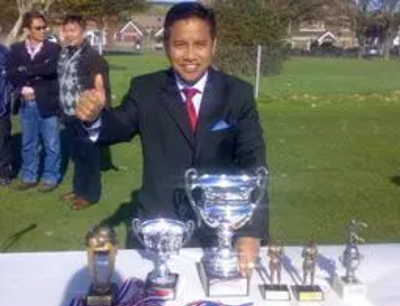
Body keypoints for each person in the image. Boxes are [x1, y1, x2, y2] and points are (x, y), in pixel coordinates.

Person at [76, 2, 268, 272]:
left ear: (214, 44)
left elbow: (254, 161)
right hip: (159, 229)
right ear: (166, 45)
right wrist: (95, 117)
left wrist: (251, 230)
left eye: (200, 44)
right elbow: (117, 126)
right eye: (180, 45)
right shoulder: (145, 89)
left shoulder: (238, 94)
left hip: (221, 232)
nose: (190, 55)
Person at [58, 15, 111, 210]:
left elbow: (100, 88)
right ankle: (78, 189)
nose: (69, 34)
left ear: (83, 32)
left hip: (87, 115)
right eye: (66, 30)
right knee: (77, 155)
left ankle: (91, 195)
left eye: (73, 30)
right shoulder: (64, 52)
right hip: (68, 113)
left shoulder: (91, 56)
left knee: (90, 155)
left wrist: (98, 115)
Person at [7, 11, 61, 192]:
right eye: (38, 28)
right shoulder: (15, 49)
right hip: (26, 103)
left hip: (47, 102)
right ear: (27, 30)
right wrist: (23, 88)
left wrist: (25, 69)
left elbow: (50, 69)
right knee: (29, 143)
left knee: (51, 144)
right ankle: (29, 176)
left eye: (45, 27)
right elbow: (12, 74)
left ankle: (50, 178)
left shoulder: (54, 48)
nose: (43, 31)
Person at [0, 43, 14, 186]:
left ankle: (4, 172)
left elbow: (12, 77)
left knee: (3, 140)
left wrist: (7, 95)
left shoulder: (5, 52)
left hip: (1, 107)